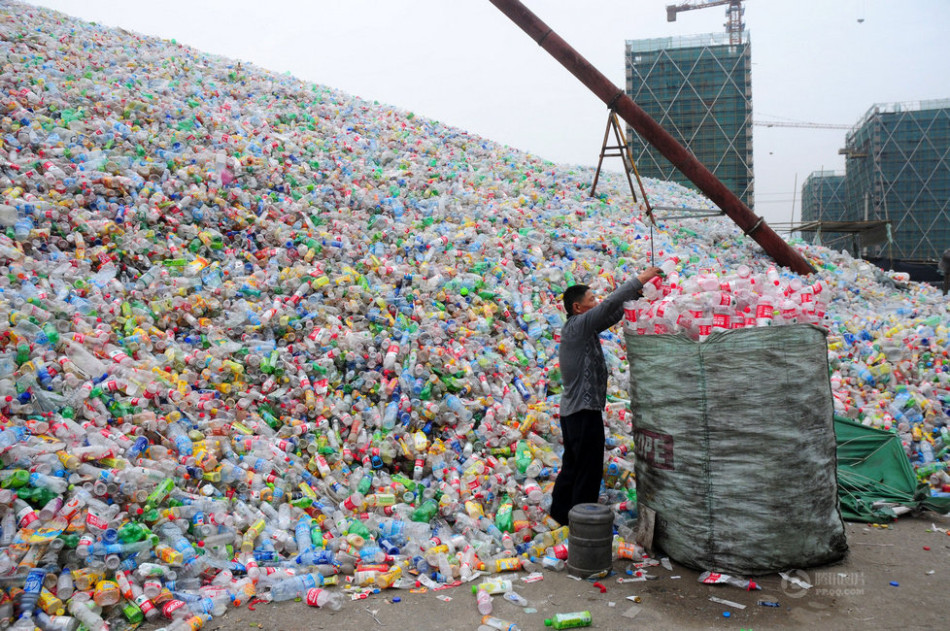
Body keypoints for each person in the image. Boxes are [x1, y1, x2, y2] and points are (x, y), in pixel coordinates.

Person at [549, 265, 661, 526]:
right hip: (583, 412)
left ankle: (560, 514)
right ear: (578, 307)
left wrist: (636, 299)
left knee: (573, 465)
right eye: (591, 300)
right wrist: (641, 278)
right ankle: (582, 522)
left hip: (574, 412)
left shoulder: (580, 328)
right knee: (587, 468)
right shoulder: (578, 326)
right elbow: (609, 305)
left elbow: (609, 314)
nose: (596, 302)